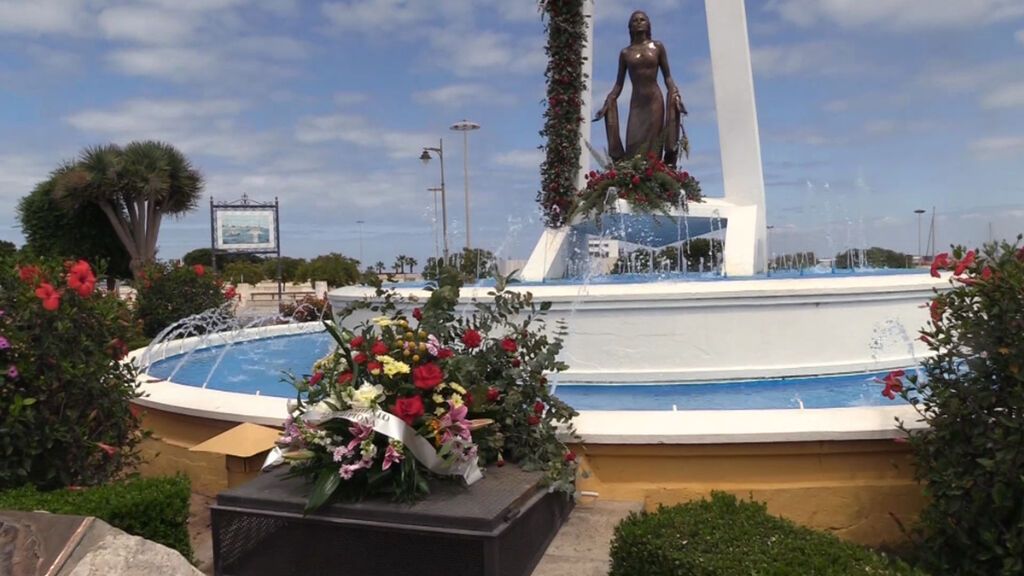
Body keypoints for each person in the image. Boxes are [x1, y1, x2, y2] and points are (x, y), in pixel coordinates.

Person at [595, 10, 687, 167]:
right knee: (633, 144)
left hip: (654, 102)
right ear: (629, 26)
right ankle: (634, 182)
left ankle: (654, 180)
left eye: (642, 19)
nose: (638, 22)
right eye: (635, 20)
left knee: (654, 145)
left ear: (648, 24)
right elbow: (618, 85)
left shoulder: (657, 47)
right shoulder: (625, 53)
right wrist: (607, 103)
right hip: (637, 104)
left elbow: (667, 77)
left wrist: (676, 95)